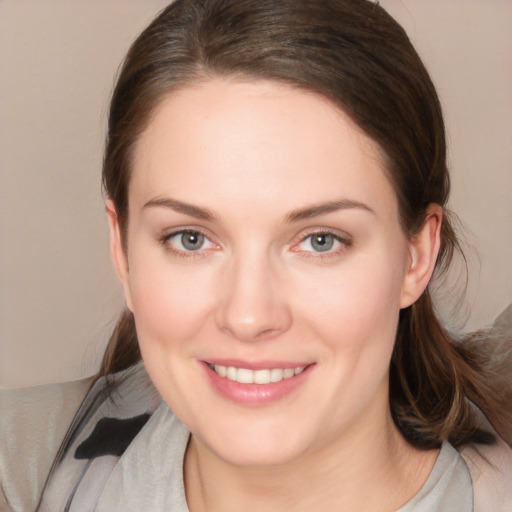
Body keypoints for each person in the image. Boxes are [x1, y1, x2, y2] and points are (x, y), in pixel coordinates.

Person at [1, 0, 511, 510]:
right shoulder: (21, 470)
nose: (248, 316)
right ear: (123, 250)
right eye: (190, 238)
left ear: (416, 256)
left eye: (320, 240)